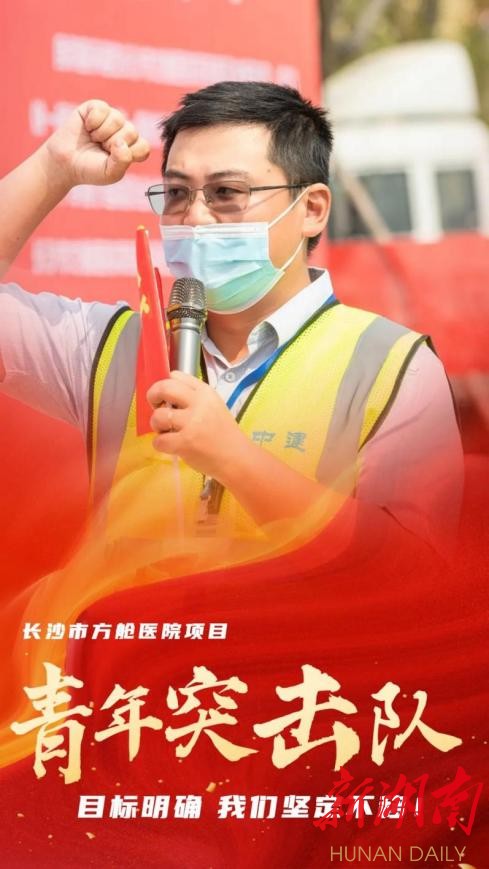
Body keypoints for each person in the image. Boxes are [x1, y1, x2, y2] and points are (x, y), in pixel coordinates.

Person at [0, 81, 463, 556]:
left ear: (312, 209)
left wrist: (235, 460)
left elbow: (415, 566)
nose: (195, 217)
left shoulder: (392, 368)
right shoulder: (108, 346)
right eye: (177, 193)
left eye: (226, 192)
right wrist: (53, 168)